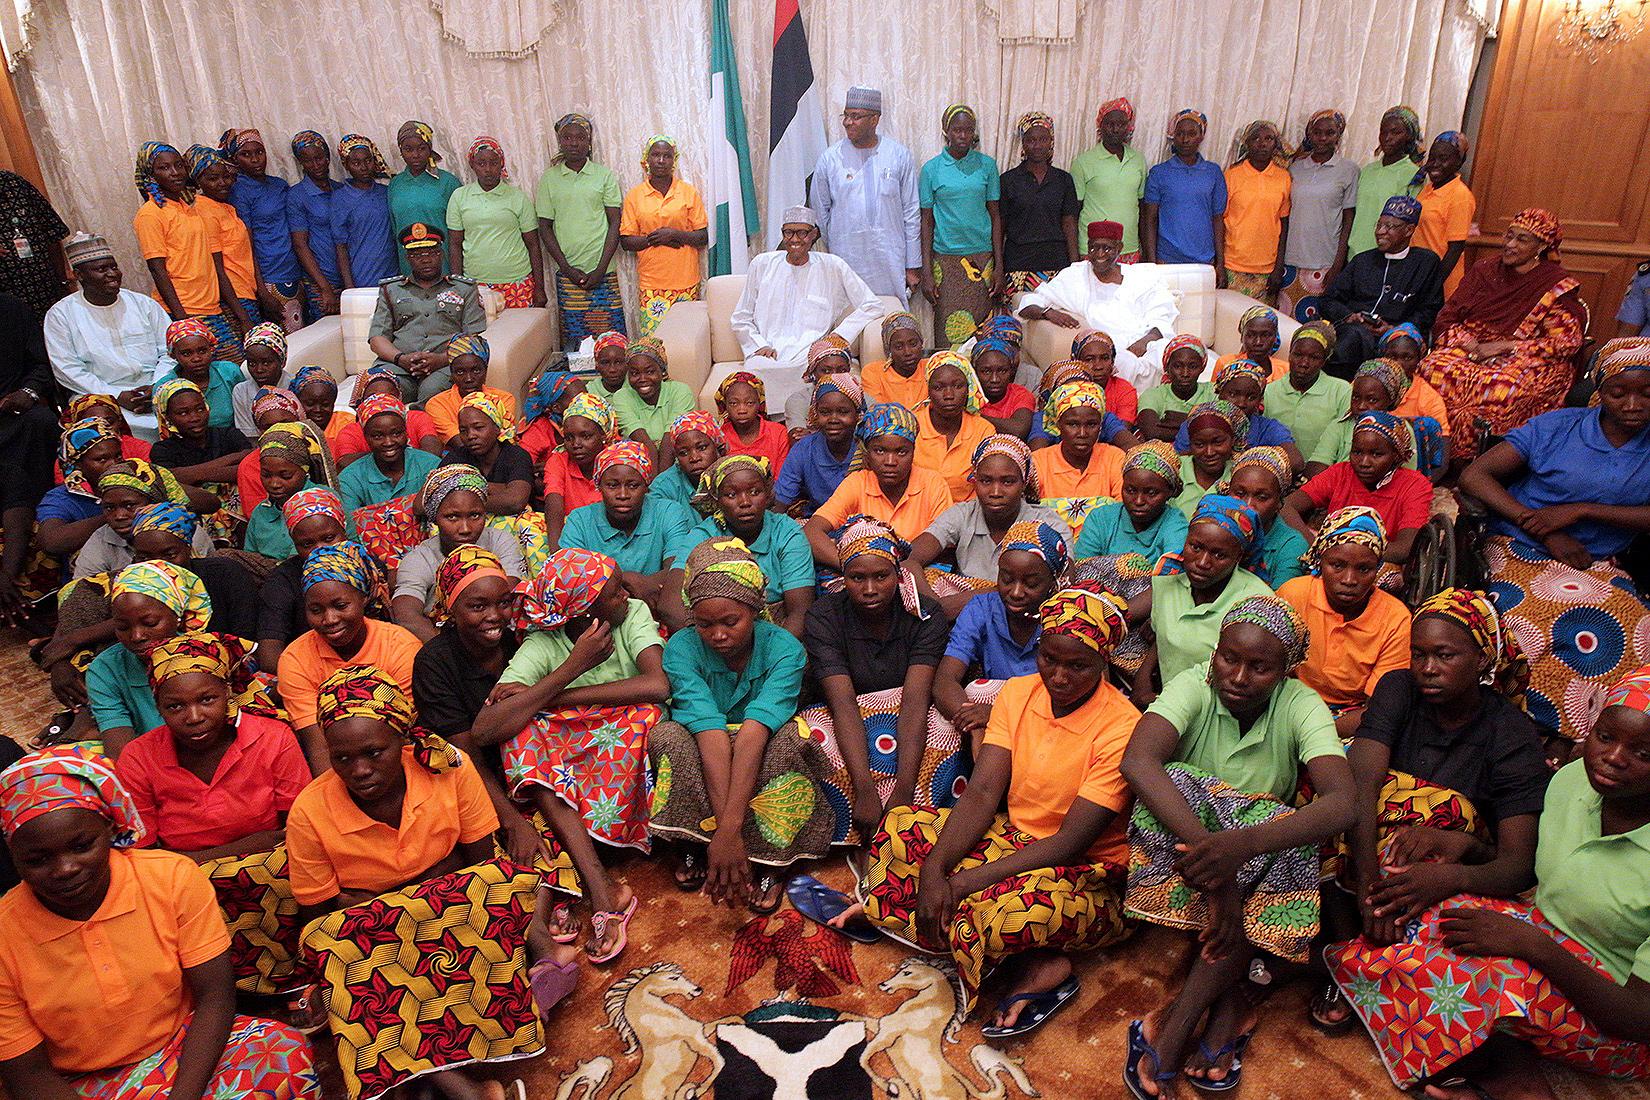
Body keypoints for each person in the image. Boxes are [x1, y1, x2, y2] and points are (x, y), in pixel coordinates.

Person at [1327, 665, 1650, 1100]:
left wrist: (1529, 944)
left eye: (1644, 753)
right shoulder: (1575, 781)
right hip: (1538, 929)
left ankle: (1509, 1081)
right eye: (1605, 737)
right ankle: (1476, 1051)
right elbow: (1532, 869)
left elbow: (1639, 1018)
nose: (1613, 757)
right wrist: (1462, 845)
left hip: (1619, 1019)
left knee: (1483, 975)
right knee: (1409, 874)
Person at [862, 585, 1138, 1035]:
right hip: (1012, 840)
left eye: (1078, 665)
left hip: (1086, 873)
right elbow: (984, 791)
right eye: (1050, 658)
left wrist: (960, 881)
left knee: (996, 911)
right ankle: (964, 931)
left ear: (1103, 662)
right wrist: (936, 870)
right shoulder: (1017, 694)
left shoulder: (1123, 727)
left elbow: (1070, 842)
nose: (1060, 676)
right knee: (901, 827)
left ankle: (1040, 966)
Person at [286, 666, 555, 1100]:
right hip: (377, 933)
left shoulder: (448, 767)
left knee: (496, 891)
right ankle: (467, 1090)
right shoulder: (309, 811)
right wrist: (404, 897)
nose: (358, 770)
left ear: (404, 739)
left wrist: (393, 897)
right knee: (345, 952)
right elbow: (321, 918)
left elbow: (480, 869)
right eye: (342, 758)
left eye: (374, 752)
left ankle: (434, 1076)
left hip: (447, 904)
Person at [1121, 596, 1352, 1097]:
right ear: (1216, 652)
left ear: (1286, 670)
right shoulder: (1194, 682)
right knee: (1174, 782)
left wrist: (1239, 848)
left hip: (1256, 858)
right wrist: (1218, 863)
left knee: (1291, 825)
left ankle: (1178, 1024)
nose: (1239, 677)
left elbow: (1342, 803)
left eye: (1260, 667)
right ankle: (1227, 1005)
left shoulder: (1300, 702)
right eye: (1229, 658)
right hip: (1193, 855)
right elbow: (1138, 762)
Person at [0, 746, 321, 1100]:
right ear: (13, 856)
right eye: (37, 859)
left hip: (184, 1049)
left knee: (280, 1053)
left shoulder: (170, 878)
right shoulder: (5, 935)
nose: (65, 868)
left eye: (81, 845)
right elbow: (27, 1074)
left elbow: (215, 995)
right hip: (77, 1082)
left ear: (108, 826)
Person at [1308, 586, 1546, 1036]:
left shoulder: (1511, 733)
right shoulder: (1399, 689)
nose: (1427, 669)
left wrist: (1452, 868)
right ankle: (1347, 949)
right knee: (1327, 804)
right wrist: (1368, 879)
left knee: (1448, 813)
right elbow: (1360, 786)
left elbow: (1518, 866)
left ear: (1481, 660)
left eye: (1444, 655)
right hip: (1368, 845)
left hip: (1455, 866)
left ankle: (1363, 963)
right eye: (1418, 654)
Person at [470, 548, 667, 954]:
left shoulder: (631, 617)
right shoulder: (546, 643)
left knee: (643, 715)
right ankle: (600, 884)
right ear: (582, 612)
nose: (625, 597)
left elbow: (656, 686)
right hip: (579, 743)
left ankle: (601, 871)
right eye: (612, 594)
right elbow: (485, 729)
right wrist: (572, 664)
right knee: (519, 735)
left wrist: (558, 695)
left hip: (626, 733)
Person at [1457, 339, 1650, 747]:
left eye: (1645, 393)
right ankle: (1512, 725)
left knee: (1632, 622)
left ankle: (1591, 735)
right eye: (1619, 392)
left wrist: (1583, 510)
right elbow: (1475, 476)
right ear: (1601, 391)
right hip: (1518, 544)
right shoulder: (1558, 427)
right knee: (1525, 623)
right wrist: (1540, 526)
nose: (1633, 403)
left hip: (1598, 560)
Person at [649, 537, 834, 911]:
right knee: (667, 735)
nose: (718, 634)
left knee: (788, 742)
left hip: (758, 739)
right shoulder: (682, 648)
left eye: (731, 622)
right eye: (704, 624)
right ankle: (695, 842)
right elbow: (709, 730)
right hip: (709, 740)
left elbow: (755, 730)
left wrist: (729, 831)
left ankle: (769, 858)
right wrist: (725, 834)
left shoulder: (784, 648)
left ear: (754, 610)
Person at [801, 517, 954, 848]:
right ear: (843, 577)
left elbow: (916, 699)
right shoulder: (824, 617)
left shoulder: (925, 614)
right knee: (816, 737)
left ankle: (916, 837)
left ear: (898, 575)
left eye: (881, 576)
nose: (869, 589)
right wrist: (865, 790)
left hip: (908, 717)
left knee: (946, 730)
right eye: (857, 578)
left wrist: (902, 790)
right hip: (848, 715)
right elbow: (841, 702)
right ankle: (852, 840)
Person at [116, 630, 308, 858]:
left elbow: (299, 830)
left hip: (273, 871)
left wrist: (185, 858)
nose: (194, 717)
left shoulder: (273, 738)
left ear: (227, 693)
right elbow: (141, 854)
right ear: (158, 707)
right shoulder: (138, 757)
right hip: (180, 882)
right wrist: (246, 846)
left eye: (207, 700)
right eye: (175, 706)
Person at [1421, 208, 1588, 459]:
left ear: (1541, 246)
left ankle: (1486, 462)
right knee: (1432, 369)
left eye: (1522, 239)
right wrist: (1471, 345)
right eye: (1509, 236)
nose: (1510, 245)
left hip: (1524, 354)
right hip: (1470, 345)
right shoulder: (1485, 269)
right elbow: (1449, 315)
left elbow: (1567, 342)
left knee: (1500, 387)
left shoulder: (1554, 284)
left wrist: (1505, 347)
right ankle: (1432, 455)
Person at [726, 206, 881, 422]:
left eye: (802, 232)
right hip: (768, 353)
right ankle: (772, 432)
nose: (794, 239)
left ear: (814, 234)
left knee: (816, 372)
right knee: (757, 369)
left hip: (809, 354)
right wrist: (757, 344)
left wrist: (838, 337)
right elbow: (741, 316)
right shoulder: (762, 264)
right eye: (788, 232)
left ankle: (802, 424)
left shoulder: (832, 266)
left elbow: (872, 304)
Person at [276, 539, 420, 771]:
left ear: (363, 598)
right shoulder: (296, 659)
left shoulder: (400, 647)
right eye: (316, 610)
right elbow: (319, 746)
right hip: (335, 768)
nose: (329, 620)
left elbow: (401, 736)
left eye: (341, 606)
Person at [87, 559, 250, 759]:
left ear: (177, 616)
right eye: (123, 627)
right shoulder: (105, 669)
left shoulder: (209, 656)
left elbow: (243, 728)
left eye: (150, 623)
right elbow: (121, 752)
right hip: (151, 764)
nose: (137, 636)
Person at [1278, 507, 1411, 734]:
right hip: (1289, 705)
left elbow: (1379, 707)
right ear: (1320, 562)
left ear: (1378, 568)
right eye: (1337, 566)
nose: (1349, 580)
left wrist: (1315, 730)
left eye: (1364, 569)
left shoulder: (1395, 619)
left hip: (1351, 718)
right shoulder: (1293, 596)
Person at [1017, 219, 1179, 394]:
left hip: (1148, 343)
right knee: (1122, 362)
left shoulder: (1142, 277)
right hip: (1113, 351)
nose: (1099, 254)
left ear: (1120, 248)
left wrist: (1144, 343)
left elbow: (1161, 315)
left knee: (1172, 352)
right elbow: (1028, 304)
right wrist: (1047, 313)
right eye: (1094, 248)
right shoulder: (1076, 277)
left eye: (1107, 248)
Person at [1140, 494, 1274, 702]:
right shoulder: (1166, 582)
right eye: (1195, 547)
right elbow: (1167, 635)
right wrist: (1143, 678)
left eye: (1219, 555)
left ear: (1239, 556)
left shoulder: (1257, 603)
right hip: (1166, 702)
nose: (1202, 562)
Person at [44, 234, 169, 440]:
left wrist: (157, 385)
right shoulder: (61, 315)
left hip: (154, 388)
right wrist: (115, 396)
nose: (113, 274)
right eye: (102, 269)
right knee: (101, 420)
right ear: (79, 275)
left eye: (114, 267)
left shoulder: (144, 305)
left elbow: (169, 351)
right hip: (99, 395)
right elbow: (67, 369)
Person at [132, 142, 249, 358]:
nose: (175, 173)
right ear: (150, 173)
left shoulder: (190, 208)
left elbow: (214, 265)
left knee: (234, 369)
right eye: (164, 168)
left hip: (212, 307)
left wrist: (241, 315)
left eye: (179, 165)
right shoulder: (150, 214)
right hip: (184, 310)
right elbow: (158, 270)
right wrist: (183, 319)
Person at [911, 434, 1068, 590]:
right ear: (975, 481)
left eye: (1008, 482)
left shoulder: (1047, 523)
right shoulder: (963, 514)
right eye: (986, 481)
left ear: (1023, 484)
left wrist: (976, 599)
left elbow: (1066, 579)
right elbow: (909, 560)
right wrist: (934, 606)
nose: (995, 492)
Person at [680, 454, 815, 634]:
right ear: (717, 500)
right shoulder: (702, 536)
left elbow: (800, 611)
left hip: (778, 636)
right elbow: (670, 604)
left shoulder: (786, 532)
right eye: (731, 494)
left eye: (754, 492)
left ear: (767, 495)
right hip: (714, 640)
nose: (745, 502)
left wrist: (773, 655)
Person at [391, 465, 526, 642]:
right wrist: (450, 653)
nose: (465, 529)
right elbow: (407, 614)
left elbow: (509, 591)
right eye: (452, 517)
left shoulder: (500, 541)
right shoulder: (420, 559)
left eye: (475, 516)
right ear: (435, 519)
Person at [1286, 411, 1432, 572]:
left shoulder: (1414, 485)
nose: (1364, 462)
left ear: (1396, 456)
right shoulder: (1340, 473)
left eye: (1376, 454)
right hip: (1331, 558)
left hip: (1380, 564)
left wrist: (1346, 553)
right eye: (1357, 452)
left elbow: (1405, 549)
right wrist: (1315, 545)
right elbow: (1287, 506)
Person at [813, 86, 920, 303]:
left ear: (874, 119)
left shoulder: (898, 155)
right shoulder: (830, 159)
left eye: (855, 116)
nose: (847, 122)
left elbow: (911, 212)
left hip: (890, 258)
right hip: (846, 258)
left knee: (890, 324)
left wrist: (912, 264)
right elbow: (820, 213)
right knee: (847, 322)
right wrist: (839, 239)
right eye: (846, 115)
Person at [560, 440, 693, 614]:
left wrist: (613, 585)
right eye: (612, 485)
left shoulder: (668, 512)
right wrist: (630, 580)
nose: (622, 495)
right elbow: (570, 583)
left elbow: (678, 572)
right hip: (599, 617)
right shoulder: (580, 520)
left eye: (633, 485)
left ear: (646, 486)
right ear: (598, 486)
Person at [807, 403, 953, 558]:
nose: (890, 461)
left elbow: (945, 541)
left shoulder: (932, 483)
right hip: (866, 572)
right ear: (867, 453)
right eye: (880, 451)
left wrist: (897, 569)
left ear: (913, 452)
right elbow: (811, 531)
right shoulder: (857, 483)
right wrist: (850, 565)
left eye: (901, 452)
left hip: (919, 568)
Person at [1318, 196, 1443, 375]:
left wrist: (1394, 328)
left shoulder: (1425, 263)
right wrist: (1349, 316)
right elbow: (1328, 300)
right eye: (1379, 225)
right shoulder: (1362, 260)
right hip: (1355, 331)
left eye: (1390, 227)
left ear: (1409, 230)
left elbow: (1430, 310)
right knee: (1350, 337)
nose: (1380, 232)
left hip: (1398, 334)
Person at [366, 223, 487, 404]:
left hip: (446, 365)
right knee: (379, 389)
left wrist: (440, 359)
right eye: (417, 255)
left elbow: (472, 340)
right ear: (408, 258)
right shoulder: (391, 290)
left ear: (441, 254)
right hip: (399, 365)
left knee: (431, 392)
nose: (425, 260)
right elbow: (377, 339)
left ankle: (420, 427)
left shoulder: (464, 289)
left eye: (431, 253)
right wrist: (401, 359)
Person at [536, 113, 626, 349]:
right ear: (560, 141)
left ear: (589, 143)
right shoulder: (549, 179)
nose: (573, 143)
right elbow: (544, 227)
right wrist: (566, 268)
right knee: (575, 344)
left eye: (580, 137)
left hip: (603, 272)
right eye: (567, 137)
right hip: (568, 275)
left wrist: (601, 269)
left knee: (611, 340)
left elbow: (615, 223)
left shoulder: (604, 176)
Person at [919, 104, 1001, 346]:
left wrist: (998, 265)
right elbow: (926, 220)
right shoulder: (931, 169)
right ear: (946, 131)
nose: (963, 136)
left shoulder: (987, 166)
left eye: (968, 130)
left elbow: (996, 216)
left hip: (982, 259)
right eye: (957, 130)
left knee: (983, 334)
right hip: (945, 261)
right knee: (948, 332)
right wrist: (926, 270)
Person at [252, 486, 352, 670]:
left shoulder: (368, 567)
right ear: (295, 545)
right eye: (307, 544)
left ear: (344, 529)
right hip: (309, 670)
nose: (321, 550)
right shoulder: (283, 581)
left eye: (329, 538)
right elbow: (269, 655)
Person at [620, 135, 708, 334]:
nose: (661, 160)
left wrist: (674, 234)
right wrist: (656, 239)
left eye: (666, 156)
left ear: (674, 160)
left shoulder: (688, 192)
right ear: (647, 159)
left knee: (686, 341)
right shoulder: (635, 195)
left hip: (686, 281)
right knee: (654, 343)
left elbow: (702, 237)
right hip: (652, 283)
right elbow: (626, 241)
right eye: (656, 155)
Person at [448, 136, 546, 308]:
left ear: (501, 164)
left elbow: (533, 245)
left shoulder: (517, 197)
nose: (488, 169)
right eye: (481, 163)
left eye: (493, 163)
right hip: (477, 285)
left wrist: (540, 288)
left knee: (522, 334)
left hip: (517, 282)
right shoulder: (459, 197)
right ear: (472, 165)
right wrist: (458, 286)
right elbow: (455, 244)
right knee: (483, 334)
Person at [1279, 109, 1359, 318]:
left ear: (1338, 136)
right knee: (1286, 324)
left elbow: (1348, 220)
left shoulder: (1349, 170)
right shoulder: (1295, 168)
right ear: (1309, 134)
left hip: (1324, 263)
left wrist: (1337, 264)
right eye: (1317, 132)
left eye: (1330, 133)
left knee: (1314, 328)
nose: (1322, 138)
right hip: (1291, 261)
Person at [74, 459, 210, 580]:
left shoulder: (186, 534)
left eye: (129, 505)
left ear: (154, 502)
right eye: (109, 508)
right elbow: (82, 593)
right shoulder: (101, 540)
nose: (119, 516)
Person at [221, 128, 303, 329]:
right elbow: (246, 244)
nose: (255, 159)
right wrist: (261, 290)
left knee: (303, 338)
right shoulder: (239, 190)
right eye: (246, 154)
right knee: (280, 344)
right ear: (235, 159)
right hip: (268, 276)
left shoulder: (279, 185)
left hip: (293, 272)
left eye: (259, 152)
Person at [999, 111, 1079, 294]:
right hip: (1018, 267)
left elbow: (1069, 224)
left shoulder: (1063, 180)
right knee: (1019, 321)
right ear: (1023, 144)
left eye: (1043, 139)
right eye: (1031, 140)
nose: (1037, 145)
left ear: (1051, 141)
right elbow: (1000, 226)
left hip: (1056, 266)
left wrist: (1075, 267)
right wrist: (999, 266)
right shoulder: (1008, 180)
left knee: (1056, 321)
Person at [1171, 358, 1301, 469]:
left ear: (1260, 399)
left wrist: (1245, 462)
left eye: (1251, 397)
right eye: (1233, 394)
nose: (1241, 403)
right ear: (1219, 393)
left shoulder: (1268, 429)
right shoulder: (1195, 424)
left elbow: (1296, 462)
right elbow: (1176, 462)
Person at [1142, 109, 1227, 272]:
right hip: (1166, 259)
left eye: (1191, 133)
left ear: (1201, 137)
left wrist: (1220, 263)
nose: (1185, 139)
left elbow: (1218, 219)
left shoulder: (1213, 172)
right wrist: (1152, 262)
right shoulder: (1159, 173)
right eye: (1180, 133)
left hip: (1204, 260)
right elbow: (1150, 219)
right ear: (1173, 136)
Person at [184, 145, 260, 327]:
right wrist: (243, 318)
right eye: (213, 179)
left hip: (246, 291)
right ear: (197, 182)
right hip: (233, 297)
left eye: (226, 177)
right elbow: (216, 267)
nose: (222, 183)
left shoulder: (226, 206)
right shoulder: (203, 209)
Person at [1075, 440, 1188, 561]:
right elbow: (1083, 568)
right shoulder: (1101, 518)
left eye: (1151, 493)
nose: (1139, 501)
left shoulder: (1175, 523)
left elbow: (1171, 575)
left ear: (1170, 491)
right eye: (1130, 490)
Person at [244, 420, 339, 561]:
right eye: (266, 475)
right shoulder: (261, 512)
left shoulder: (323, 500)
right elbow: (250, 558)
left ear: (304, 470)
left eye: (285, 476)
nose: (274, 483)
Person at [1218, 444, 1310, 587]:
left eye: (1261, 497)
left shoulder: (1291, 546)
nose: (1247, 505)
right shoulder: (1213, 526)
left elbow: (1278, 604)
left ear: (1279, 503)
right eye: (1240, 494)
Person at [1221, 120, 1292, 302]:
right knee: (1231, 321)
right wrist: (1219, 264)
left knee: (1260, 324)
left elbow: (1283, 225)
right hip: (1233, 265)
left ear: (1275, 144)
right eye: (1256, 138)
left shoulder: (1283, 177)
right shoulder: (1232, 175)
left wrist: (1278, 267)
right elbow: (1220, 222)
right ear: (1247, 143)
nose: (1262, 143)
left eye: (1268, 138)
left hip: (1267, 270)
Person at [337, 393, 442, 515]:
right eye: (378, 436)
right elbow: (350, 526)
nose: (388, 442)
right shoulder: (350, 479)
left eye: (396, 433)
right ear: (366, 437)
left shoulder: (431, 466)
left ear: (406, 432)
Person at [1072, 97, 1148, 264]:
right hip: (1094, 251)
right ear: (1100, 126)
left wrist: (1146, 252)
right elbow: (1073, 212)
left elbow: (1141, 208)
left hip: (1129, 249)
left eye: (1121, 124)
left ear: (1128, 127)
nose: (1115, 129)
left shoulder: (1138, 160)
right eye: (1110, 124)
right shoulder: (1083, 162)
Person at [1264, 319, 1352, 461]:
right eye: (1298, 355)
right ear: (1289, 354)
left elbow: (1346, 442)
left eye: (1314, 357)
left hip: (1323, 475)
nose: (1304, 363)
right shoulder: (1269, 391)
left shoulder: (1341, 391)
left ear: (1324, 360)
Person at [914, 350, 995, 502]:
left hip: (968, 517)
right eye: (938, 388)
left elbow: (987, 484)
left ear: (968, 389)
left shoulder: (983, 430)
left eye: (958, 386)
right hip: (919, 514)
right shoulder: (913, 426)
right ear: (928, 390)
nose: (949, 395)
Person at [1347, 105, 1424, 259]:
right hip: (1354, 255)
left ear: (1409, 136)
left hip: (1385, 257)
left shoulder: (1414, 175)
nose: (1388, 138)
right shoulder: (1367, 171)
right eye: (1384, 132)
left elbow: (1410, 224)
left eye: (1396, 132)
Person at [776, 375, 861, 516]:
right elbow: (782, 499)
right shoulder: (804, 449)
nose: (833, 419)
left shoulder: (868, 448)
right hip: (818, 521)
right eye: (825, 412)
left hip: (865, 521)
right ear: (816, 414)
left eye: (843, 412)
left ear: (857, 413)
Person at [387, 120, 463, 276]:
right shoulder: (395, 185)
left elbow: (460, 234)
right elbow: (395, 230)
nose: (415, 154)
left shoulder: (448, 183)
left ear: (430, 149)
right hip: (409, 271)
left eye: (421, 148)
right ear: (401, 151)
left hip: (444, 270)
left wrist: (456, 277)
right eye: (408, 149)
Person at [443, 390, 534, 517]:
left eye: (478, 427)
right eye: (463, 430)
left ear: (497, 427)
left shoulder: (516, 456)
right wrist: (500, 489)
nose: (470, 436)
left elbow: (515, 502)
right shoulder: (457, 457)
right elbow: (423, 502)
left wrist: (460, 493)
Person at [543, 391, 616, 545]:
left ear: (603, 435)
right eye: (569, 438)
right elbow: (553, 504)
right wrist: (557, 556)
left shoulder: (617, 463)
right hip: (570, 533)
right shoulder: (558, 460)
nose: (576, 444)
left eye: (586, 436)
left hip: (612, 533)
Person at [1033, 380, 1125, 501]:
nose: (1082, 433)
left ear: (1100, 426)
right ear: (1058, 425)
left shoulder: (1114, 459)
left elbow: (1121, 511)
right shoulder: (1038, 463)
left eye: (1091, 424)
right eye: (1073, 424)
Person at [332, 364, 443, 463]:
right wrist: (386, 454)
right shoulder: (351, 431)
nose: (382, 400)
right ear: (361, 400)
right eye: (373, 396)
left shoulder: (417, 418)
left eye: (390, 396)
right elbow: (344, 463)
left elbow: (433, 450)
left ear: (399, 397)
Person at [329, 134, 398, 290]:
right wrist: (350, 287)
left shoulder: (386, 192)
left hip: (393, 278)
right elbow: (341, 247)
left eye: (368, 160)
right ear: (346, 165)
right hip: (363, 278)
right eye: (356, 162)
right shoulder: (340, 198)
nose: (364, 167)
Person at [1413, 131, 1476, 299]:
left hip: (1439, 284)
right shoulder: (1427, 190)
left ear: (1459, 162)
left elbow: (1455, 249)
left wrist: (1432, 285)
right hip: (1418, 276)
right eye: (1432, 158)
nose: (1435, 164)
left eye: (1443, 158)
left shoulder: (1460, 196)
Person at [420, 333, 516, 443]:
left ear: (486, 371)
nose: (469, 379)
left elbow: (504, 441)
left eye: (476, 371)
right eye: (460, 372)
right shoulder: (437, 404)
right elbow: (460, 443)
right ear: (451, 374)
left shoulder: (504, 399)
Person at [285, 130, 341, 318]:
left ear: (327, 157)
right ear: (301, 163)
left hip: (348, 278)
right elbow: (300, 245)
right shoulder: (297, 195)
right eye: (308, 160)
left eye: (319, 157)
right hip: (321, 280)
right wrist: (324, 287)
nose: (315, 164)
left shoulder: (341, 189)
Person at [0, 168, 69, 319]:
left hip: (45, 291)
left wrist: (63, 281)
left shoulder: (14, 183)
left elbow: (52, 231)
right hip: (7, 307)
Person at [610, 335, 697, 449]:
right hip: (642, 458)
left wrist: (664, 468)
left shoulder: (680, 392)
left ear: (662, 371)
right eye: (635, 373)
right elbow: (644, 443)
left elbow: (670, 441)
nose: (642, 379)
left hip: (679, 457)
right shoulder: (622, 397)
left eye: (650, 372)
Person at [1168, 401, 1245, 519]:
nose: (1209, 452)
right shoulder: (1174, 469)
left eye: (1218, 442)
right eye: (1199, 444)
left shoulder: (1240, 474)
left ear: (1233, 440)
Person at [1136, 335, 1214, 443]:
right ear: (1167, 367)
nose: (1185, 373)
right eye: (1177, 366)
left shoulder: (1213, 391)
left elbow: (1225, 428)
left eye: (1193, 366)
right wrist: (1204, 424)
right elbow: (1152, 432)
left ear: (1202, 368)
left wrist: (1175, 420)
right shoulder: (1153, 395)